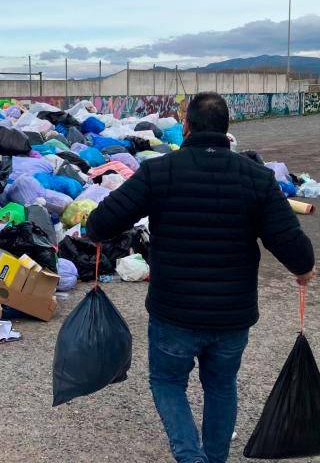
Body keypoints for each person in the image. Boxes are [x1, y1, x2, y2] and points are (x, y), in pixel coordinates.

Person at [86, 92, 315, 463]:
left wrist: (92, 233)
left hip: (174, 312)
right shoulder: (257, 178)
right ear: (227, 130)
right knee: (221, 385)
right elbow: (294, 248)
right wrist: (303, 270)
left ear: (186, 127)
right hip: (232, 315)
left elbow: (103, 222)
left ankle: (192, 457)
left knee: (167, 381)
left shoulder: (161, 171)